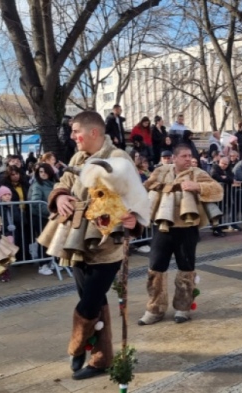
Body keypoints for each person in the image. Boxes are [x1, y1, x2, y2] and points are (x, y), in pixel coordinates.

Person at [46, 110, 149, 379]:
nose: (72, 136)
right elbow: (63, 183)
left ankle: (77, 346)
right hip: (75, 240)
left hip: (106, 245)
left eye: (75, 130)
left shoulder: (118, 158)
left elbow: (136, 196)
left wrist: (133, 219)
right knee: (95, 303)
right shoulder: (77, 157)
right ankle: (101, 359)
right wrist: (58, 197)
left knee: (89, 304)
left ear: (93, 132)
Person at [138, 145, 223, 325]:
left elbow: (217, 190)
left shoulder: (196, 172)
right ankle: (155, 309)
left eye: (190, 156)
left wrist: (198, 186)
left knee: (186, 268)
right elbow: (145, 187)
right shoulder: (160, 171)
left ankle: (183, 308)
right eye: (184, 156)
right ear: (174, 158)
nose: (188, 159)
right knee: (155, 268)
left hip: (187, 228)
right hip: (162, 227)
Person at [29, 162, 57, 275]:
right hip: (41, 217)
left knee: (52, 240)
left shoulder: (54, 183)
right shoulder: (37, 185)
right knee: (43, 240)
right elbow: (36, 202)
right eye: (40, 172)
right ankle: (42, 264)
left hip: (52, 216)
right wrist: (49, 211)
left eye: (45, 171)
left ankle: (51, 261)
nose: (43, 174)